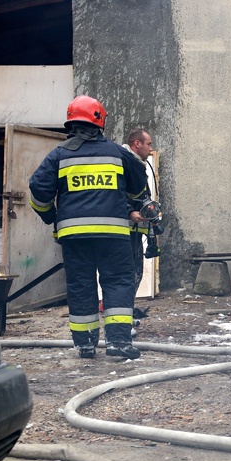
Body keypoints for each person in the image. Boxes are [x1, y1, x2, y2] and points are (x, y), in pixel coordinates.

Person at [28, 95, 147, 359]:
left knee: (81, 284)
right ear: (100, 121)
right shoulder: (117, 152)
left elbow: (38, 190)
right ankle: (118, 343)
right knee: (117, 282)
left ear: (70, 123)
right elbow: (139, 182)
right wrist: (131, 201)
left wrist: (51, 216)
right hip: (113, 235)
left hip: (74, 236)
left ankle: (85, 344)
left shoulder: (59, 155)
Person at [122, 128, 159, 313]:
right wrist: (130, 212)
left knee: (134, 271)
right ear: (137, 144)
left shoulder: (136, 163)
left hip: (135, 230)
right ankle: (122, 311)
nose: (151, 149)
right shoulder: (126, 163)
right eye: (149, 144)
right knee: (128, 273)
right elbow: (117, 193)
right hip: (125, 230)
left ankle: (127, 308)